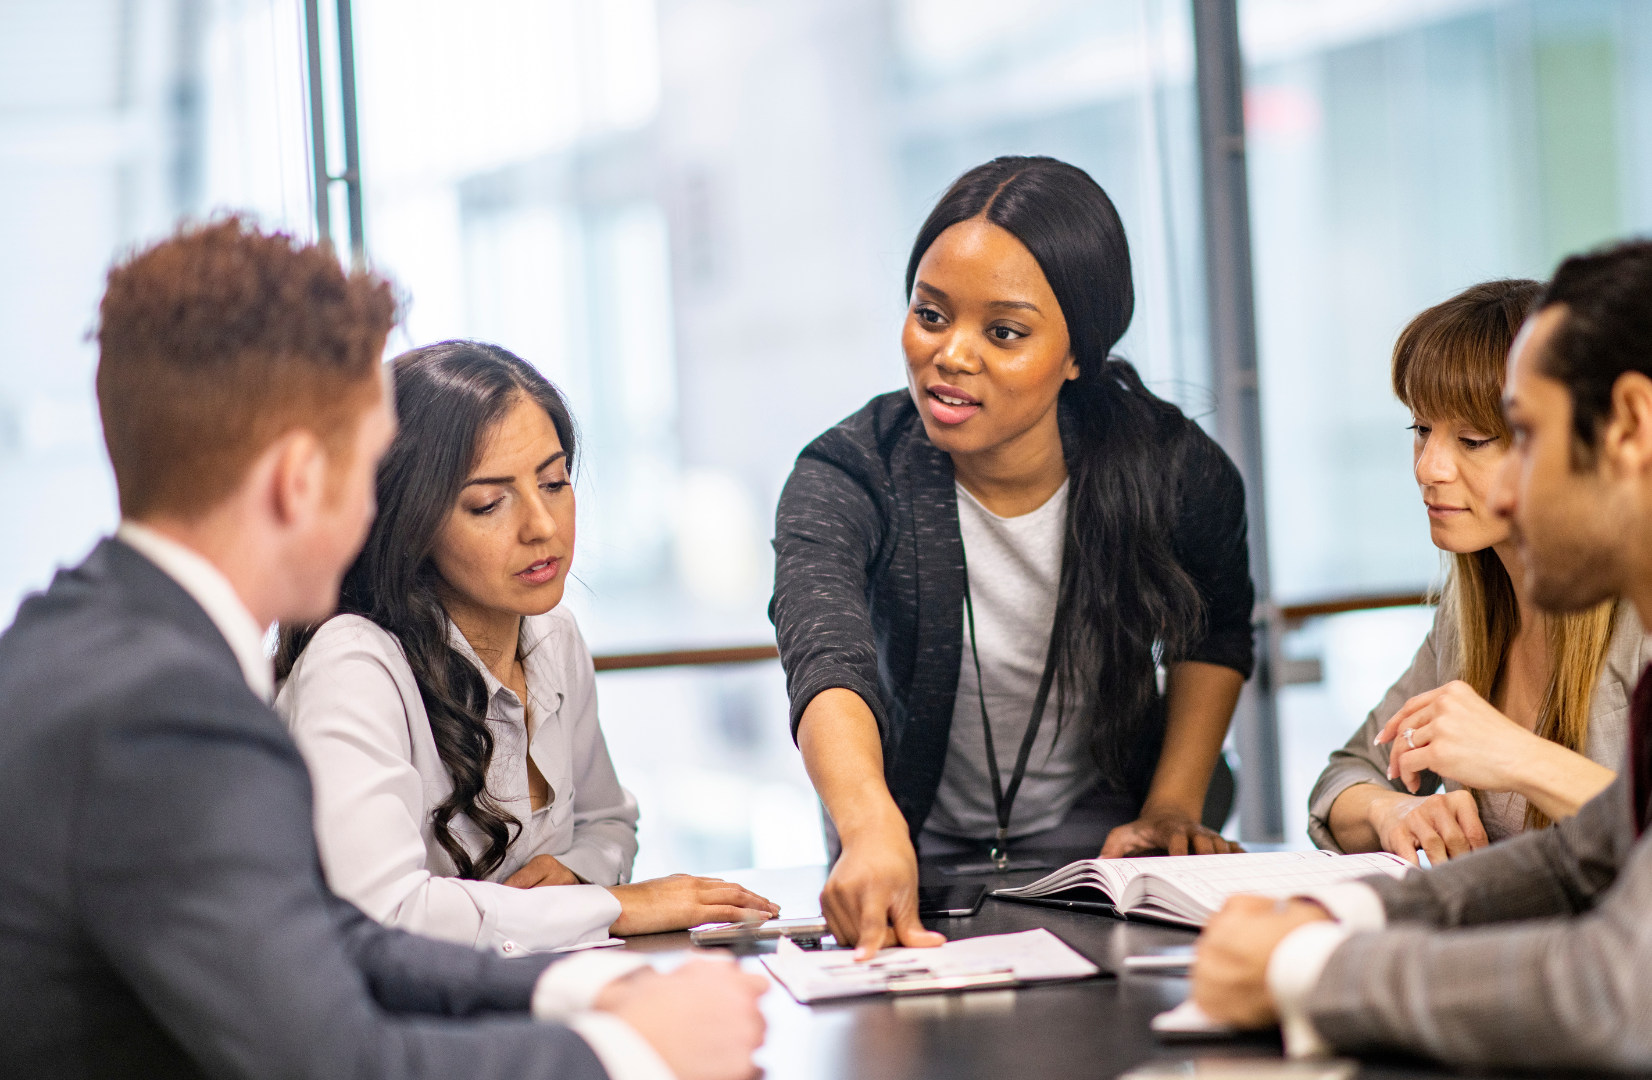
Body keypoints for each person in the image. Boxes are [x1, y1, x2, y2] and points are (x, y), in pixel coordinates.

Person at [0, 217, 766, 1080]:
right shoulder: (166, 710)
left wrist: (570, 994)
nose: (378, 517)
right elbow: (331, 1061)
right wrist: (627, 1052)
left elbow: (333, 935)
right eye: (369, 471)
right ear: (299, 481)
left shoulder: (89, 639)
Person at [1188, 238, 1652, 1078]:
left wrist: (1305, 972)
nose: (1497, 491)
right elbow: (1580, 859)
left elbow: (1628, 996)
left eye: (1521, 436)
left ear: (1635, 428)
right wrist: (1345, 916)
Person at [772, 155, 1256, 956]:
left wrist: (1173, 804)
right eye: (931, 315)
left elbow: (1218, 631)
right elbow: (827, 656)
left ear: (1078, 353)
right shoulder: (851, 472)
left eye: (1003, 332)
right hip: (906, 832)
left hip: (1107, 834)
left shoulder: (1173, 467)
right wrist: (868, 825)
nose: (952, 355)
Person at [277, 341, 778, 954]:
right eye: (489, 502)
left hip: (528, 998)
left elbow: (606, 823)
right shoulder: (354, 662)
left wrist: (577, 878)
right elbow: (384, 911)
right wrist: (611, 906)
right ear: (411, 520)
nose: (543, 525)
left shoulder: (553, 634)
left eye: (554, 481)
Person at [1308, 279, 1646, 864]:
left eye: (1472, 438)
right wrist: (1394, 811)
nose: (1428, 468)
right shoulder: (1467, 616)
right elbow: (1346, 779)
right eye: (1421, 430)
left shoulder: (1649, 616)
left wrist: (1514, 754)